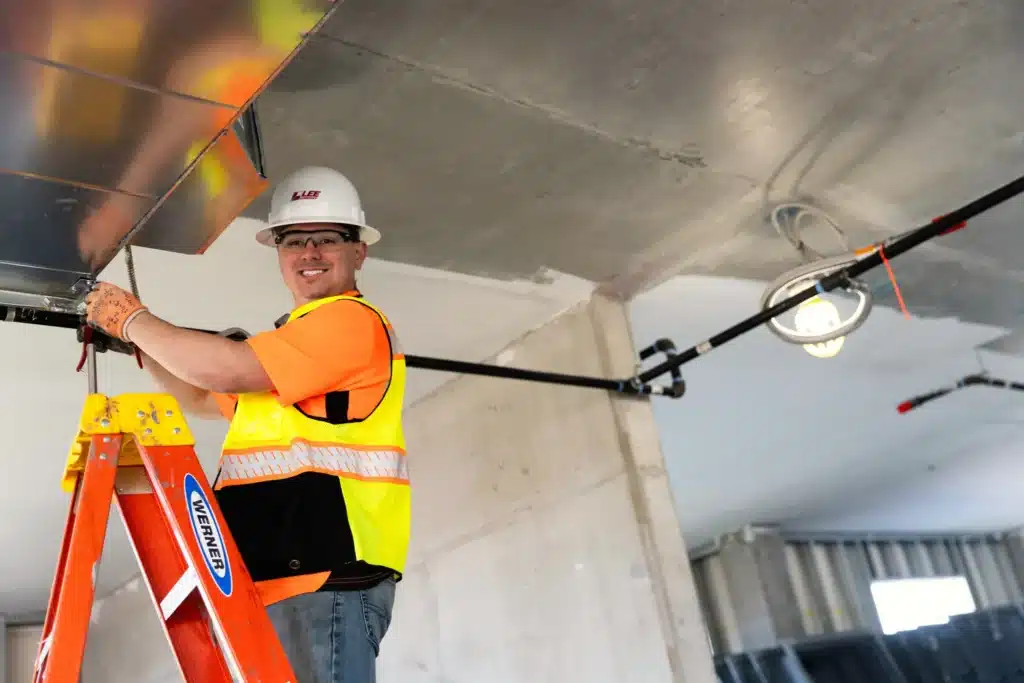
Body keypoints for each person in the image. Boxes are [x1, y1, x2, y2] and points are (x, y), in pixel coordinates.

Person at [85, 166, 410, 683]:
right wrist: (140, 343)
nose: (309, 253)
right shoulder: (290, 354)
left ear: (358, 252)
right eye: (293, 241)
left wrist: (133, 322)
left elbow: (225, 367)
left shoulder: (349, 322)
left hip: (325, 578)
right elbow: (200, 393)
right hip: (279, 578)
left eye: (326, 239)